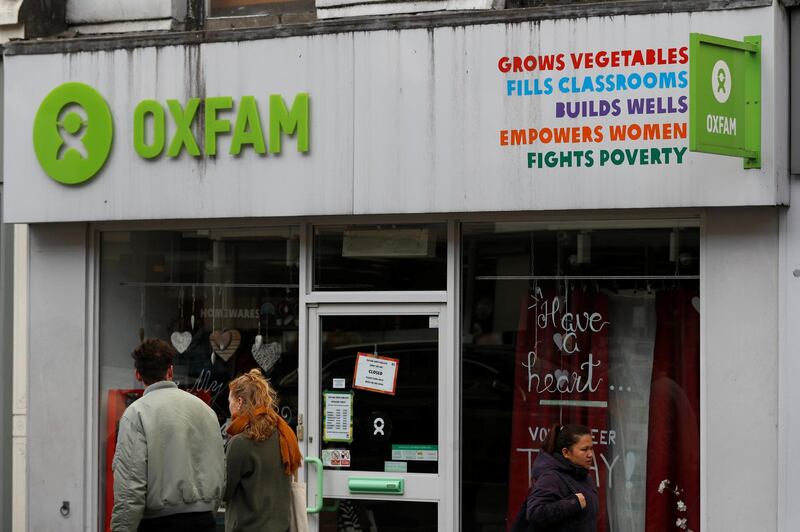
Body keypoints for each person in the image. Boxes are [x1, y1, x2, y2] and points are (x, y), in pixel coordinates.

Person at [111, 339, 225, 532]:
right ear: (170, 371)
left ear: (138, 374)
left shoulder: (136, 413)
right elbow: (219, 470)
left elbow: (130, 486)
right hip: (204, 520)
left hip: (158, 522)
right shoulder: (205, 411)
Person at [224, 369, 302, 532]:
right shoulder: (284, 434)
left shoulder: (240, 443)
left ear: (239, 402)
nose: (229, 406)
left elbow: (225, 491)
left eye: (229, 401)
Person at [525, 424, 598, 532]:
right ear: (566, 452)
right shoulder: (552, 478)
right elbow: (534, 513)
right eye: (584, 449)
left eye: (591, 448)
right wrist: (573, 503)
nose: (590, 454)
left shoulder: (585, 477)